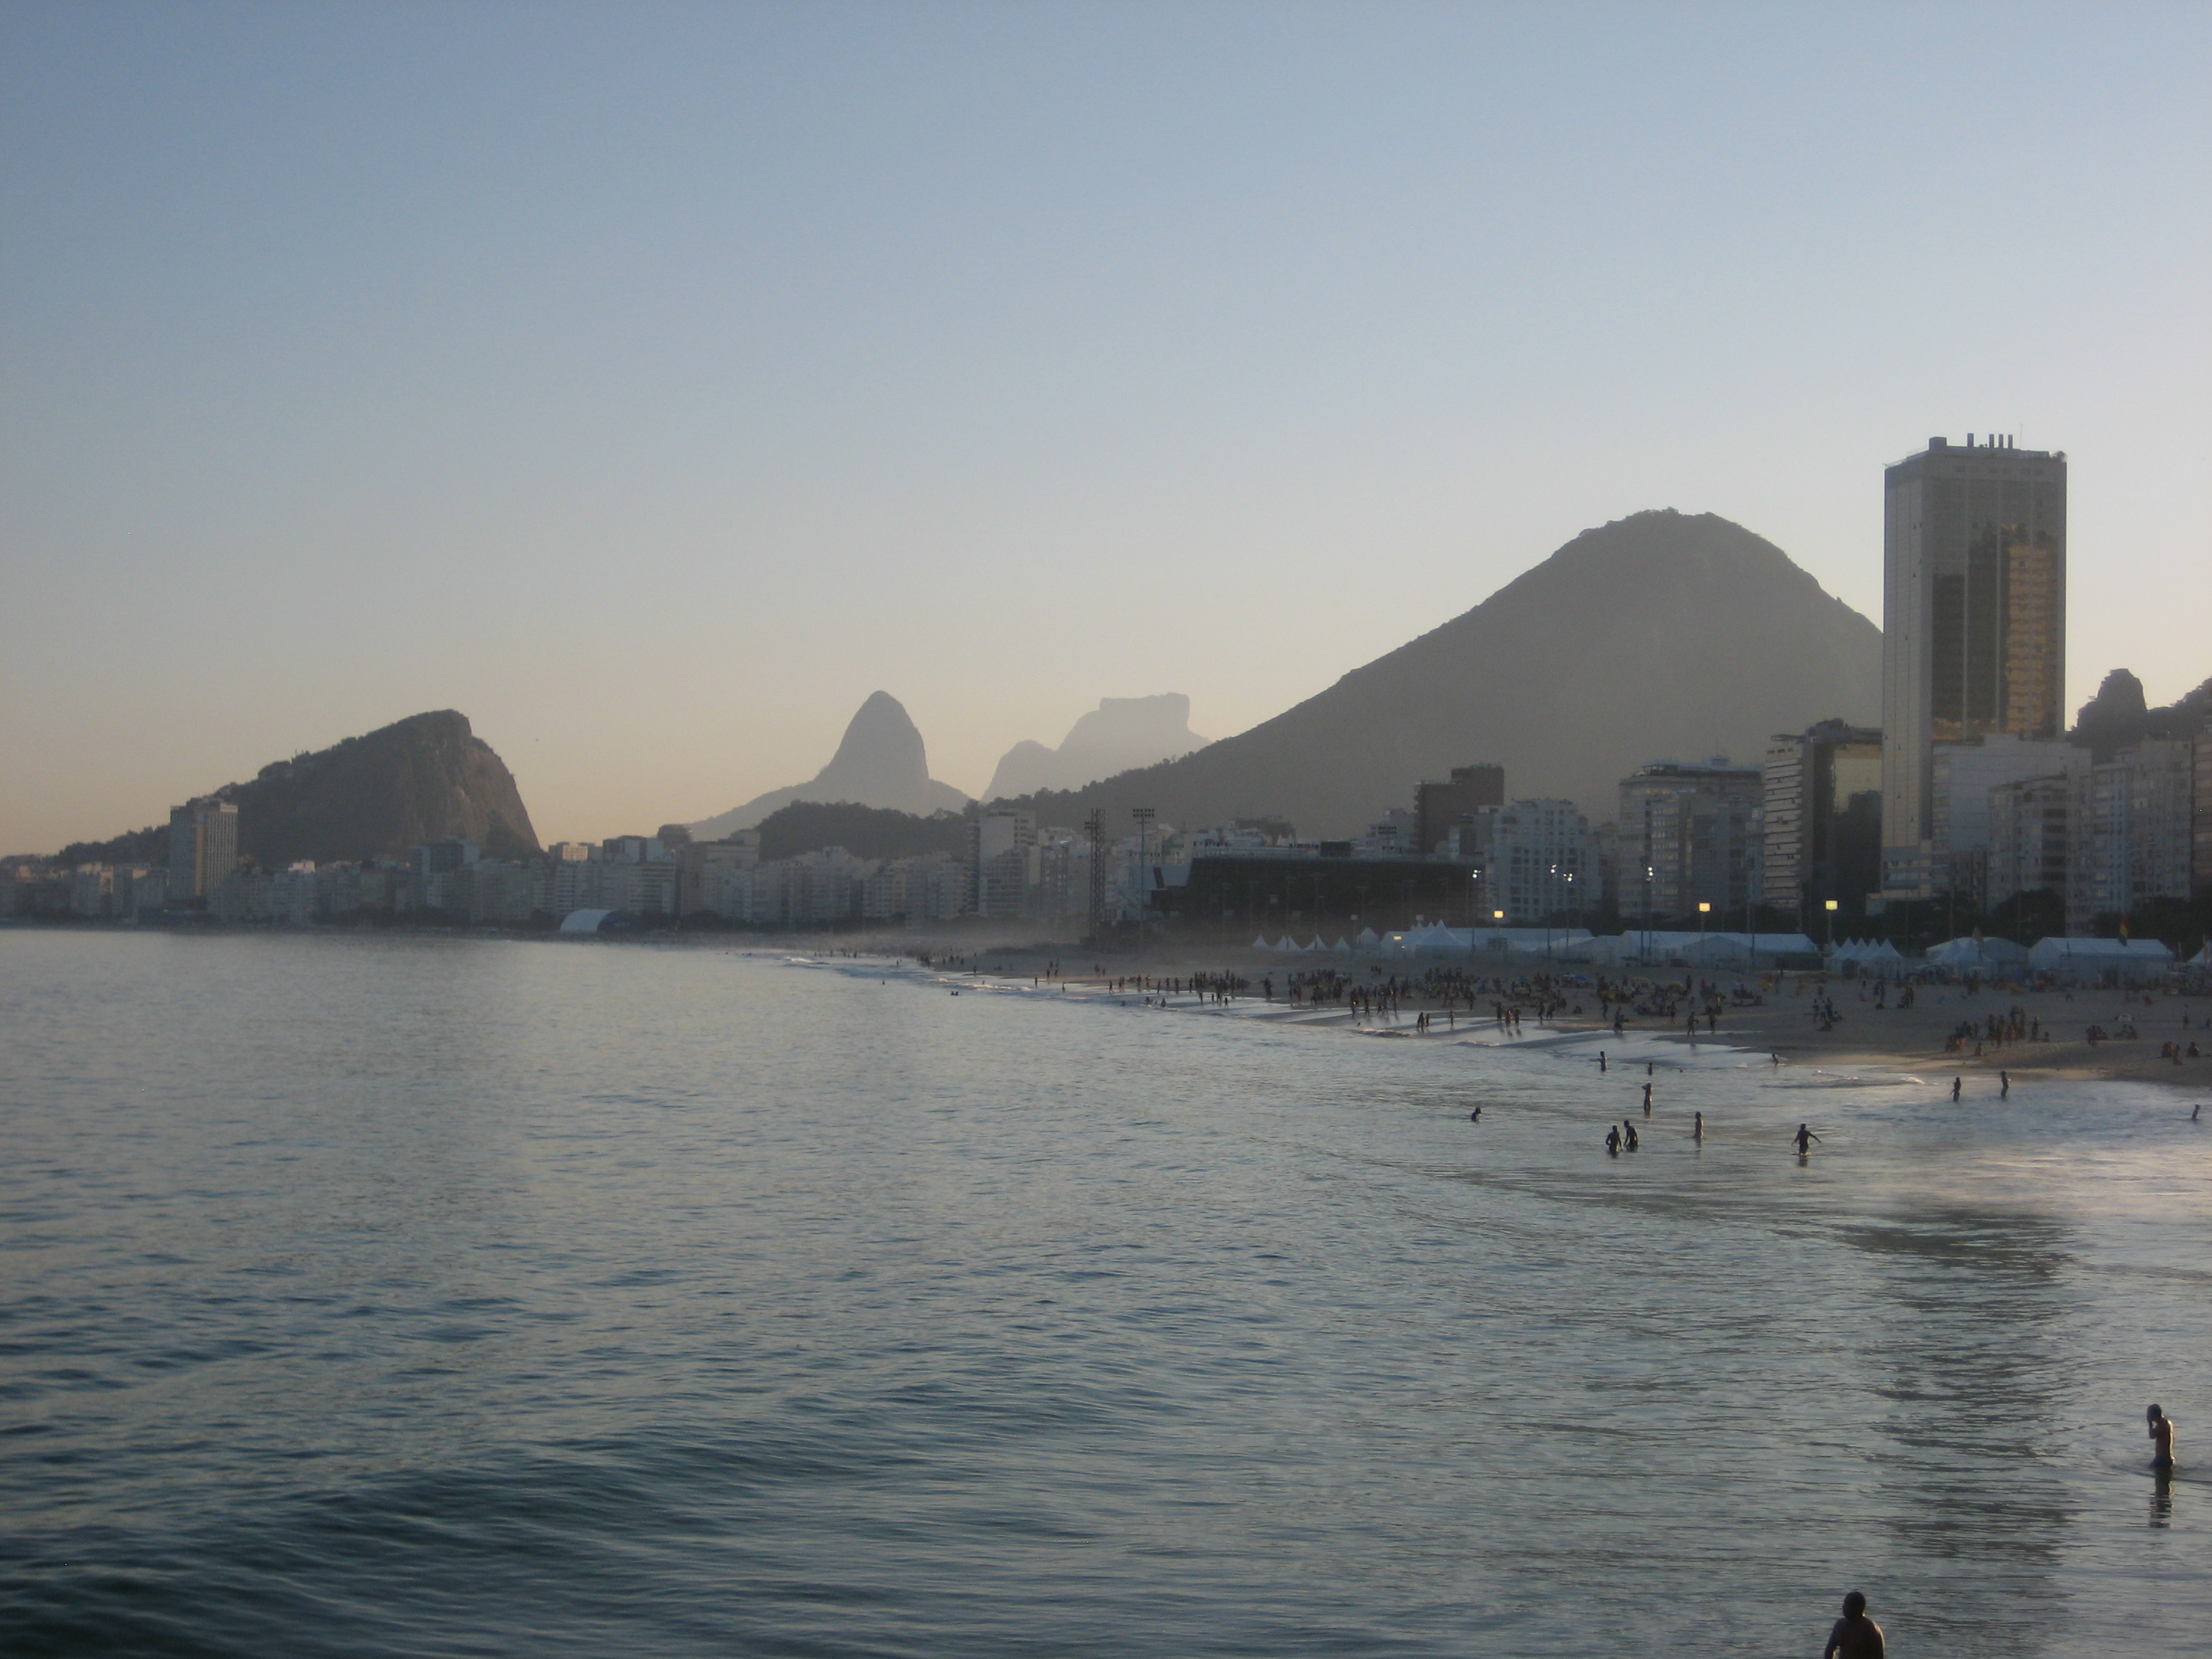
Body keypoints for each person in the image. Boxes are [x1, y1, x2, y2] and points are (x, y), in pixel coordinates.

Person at [1822, 1591, 1884, 1659]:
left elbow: (1879, 1656)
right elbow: (1829, 1650)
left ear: (1858, 1608)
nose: (1843, 1607)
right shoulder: (1840, 1626)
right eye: (1845, 1604)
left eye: (1848, 1605)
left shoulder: (1871, 1630)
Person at [2148, 1404, 2177, 1473]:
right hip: (2167, 1457)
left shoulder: (2161, 1426)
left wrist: (2150, 1424)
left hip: (2162, 1459)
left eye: (2149, 1414)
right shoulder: (2167, 1423)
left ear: (2154, 1415)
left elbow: (2152, 1436)